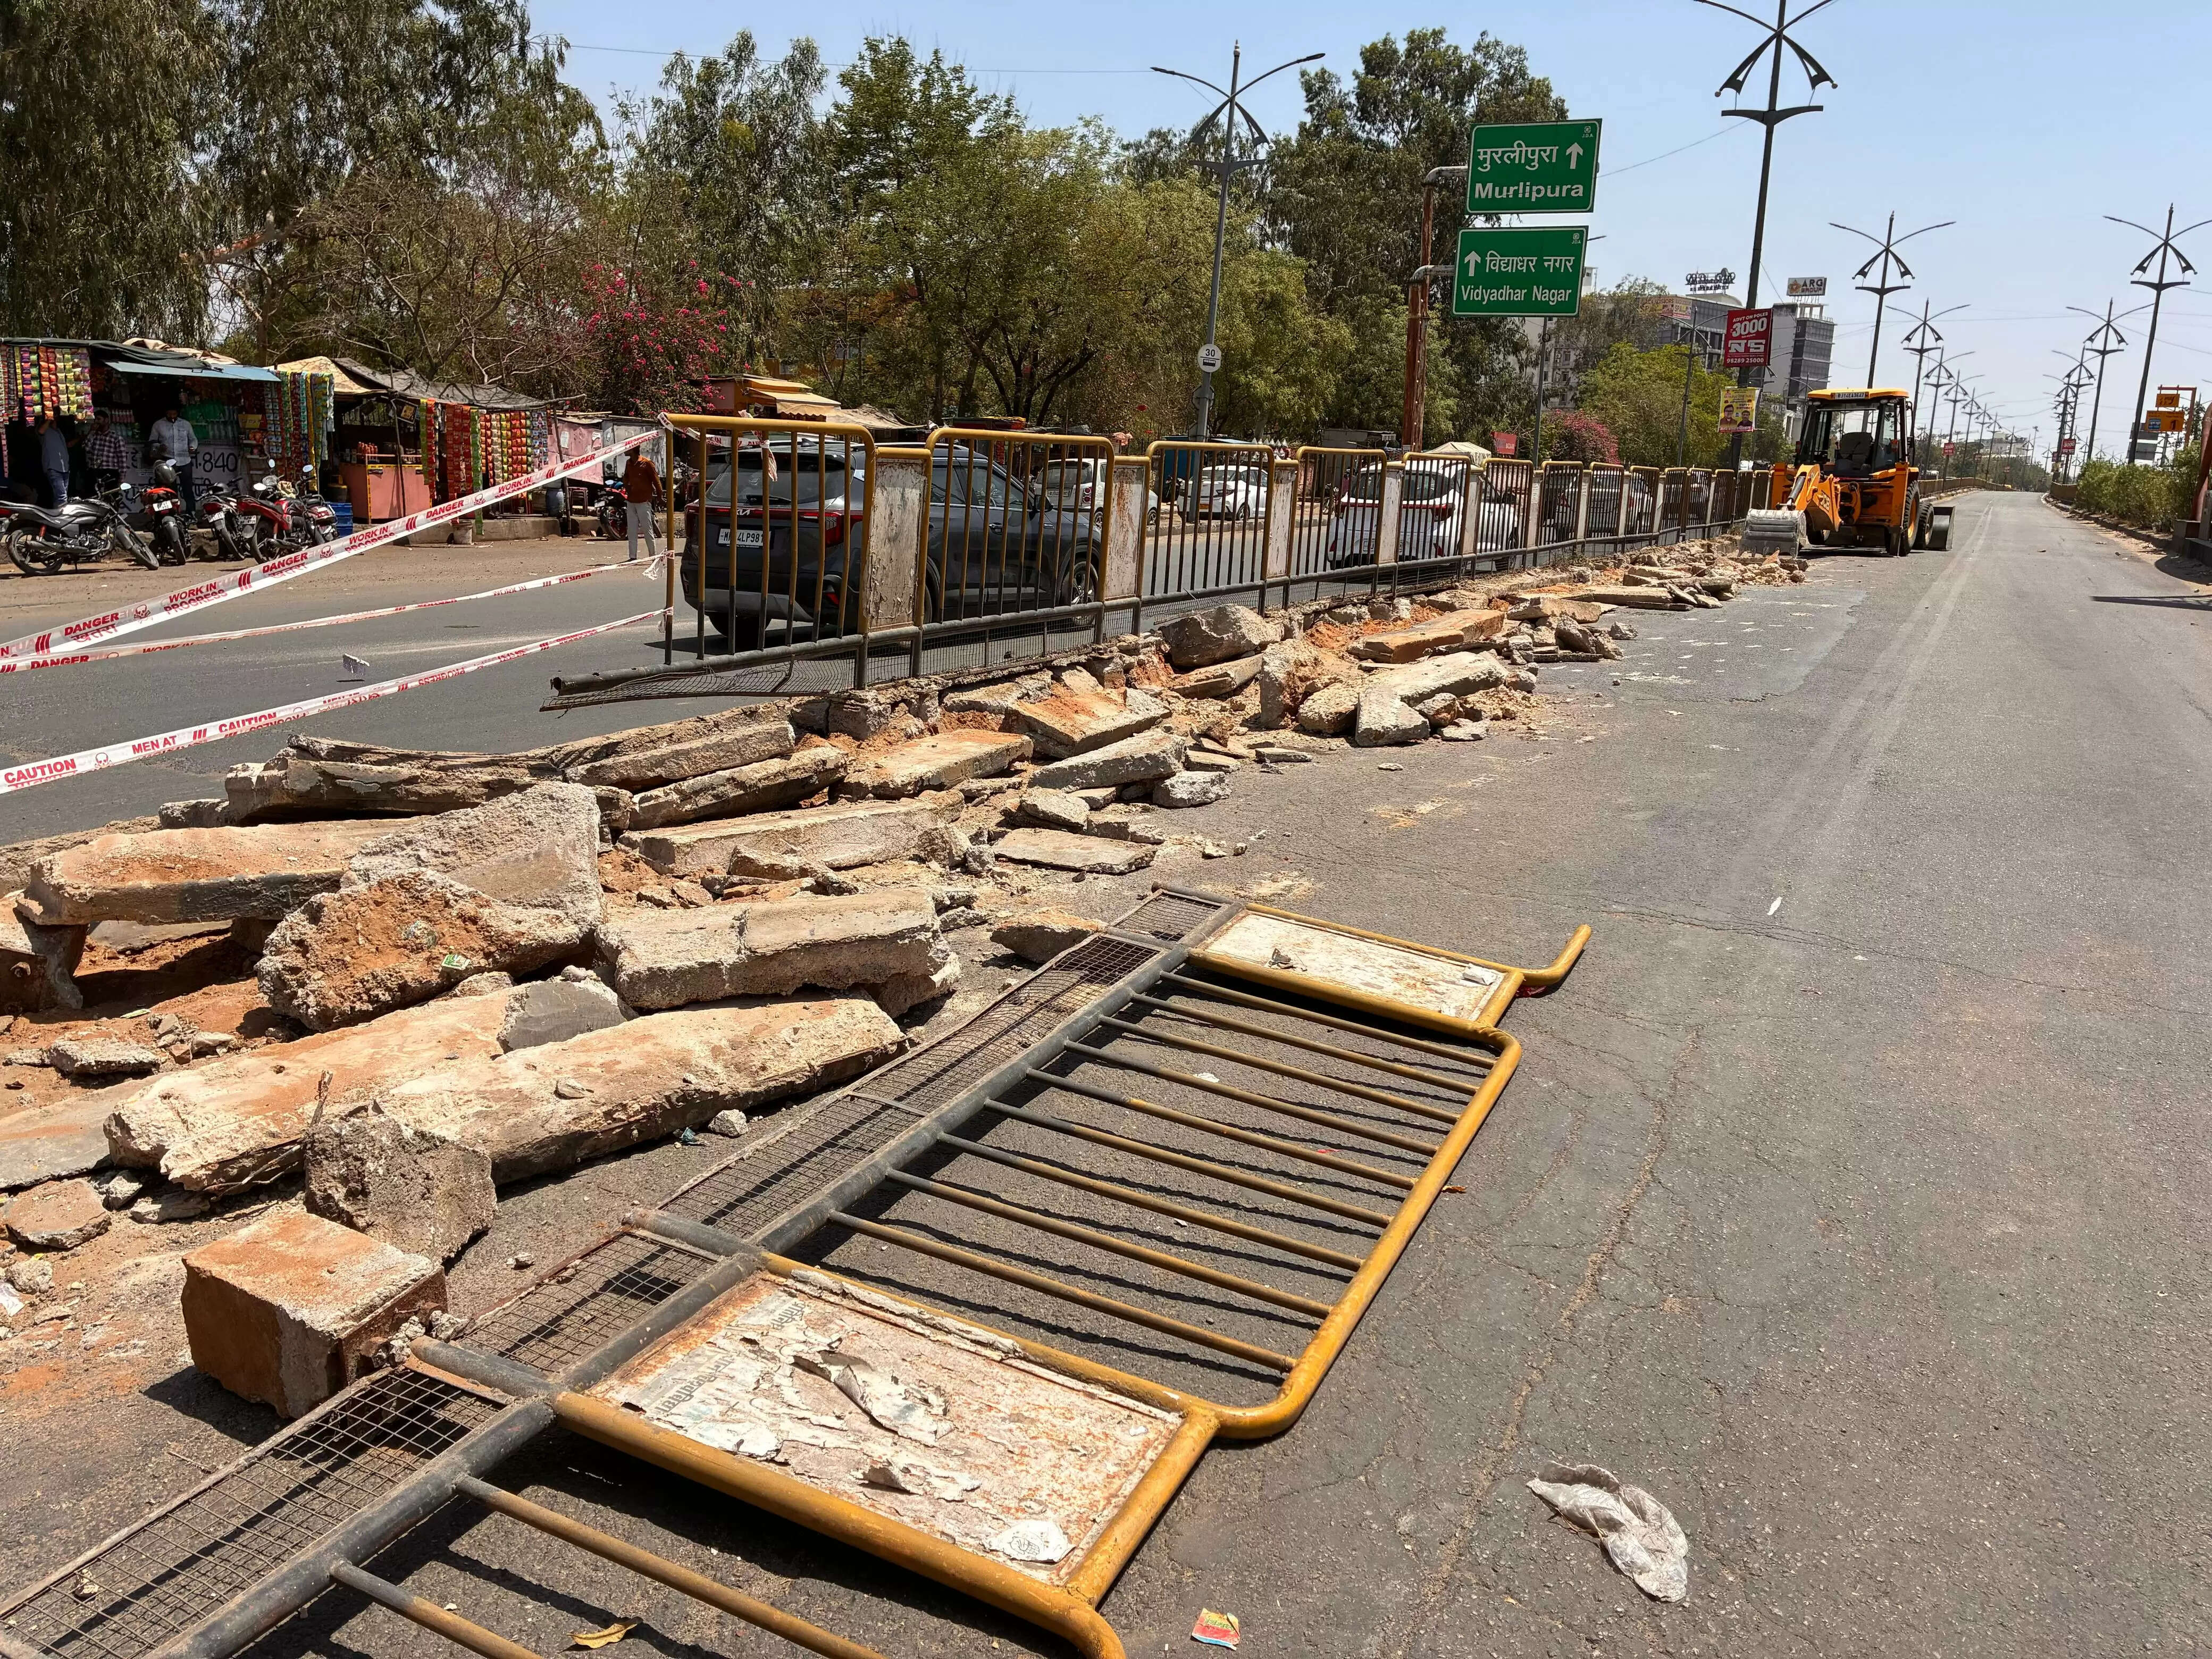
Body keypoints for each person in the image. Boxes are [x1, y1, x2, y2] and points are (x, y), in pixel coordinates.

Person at [149, 403, 200, 513]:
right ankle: (174, 513)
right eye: (170, 414)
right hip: (168, 460)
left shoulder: (185, 425)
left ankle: (191, 514)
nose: (172, 416)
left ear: (178, 414)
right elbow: (152, 441)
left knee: (187, 488)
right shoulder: (158, 425)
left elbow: (193, 438)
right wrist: (159, 447)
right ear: (166, 413)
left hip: (185, 461)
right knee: (170, 489)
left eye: (174, 414)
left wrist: (193, 447)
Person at [621, 447, 661, 563]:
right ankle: (632, 557)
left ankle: (653, 556)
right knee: (632, 531)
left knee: (648, 529)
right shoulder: (629, 463)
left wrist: (660, 496)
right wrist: (628, 487)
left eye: (628, 448)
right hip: (631, 501)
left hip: (644, 502)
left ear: (633, 450)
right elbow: (626, 477)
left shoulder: (647, 463)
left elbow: (656, 480)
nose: (625, 450)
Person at [39, 417, 70, 507]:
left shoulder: (58, 431)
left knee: (60, 497)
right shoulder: (45, 430)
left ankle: (56, 517)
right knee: (62, 498)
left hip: (65, 468)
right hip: (53, 468)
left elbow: (68, 445)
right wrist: (49, 419)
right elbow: (41, 431)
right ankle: (62, 519)